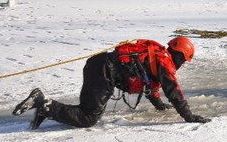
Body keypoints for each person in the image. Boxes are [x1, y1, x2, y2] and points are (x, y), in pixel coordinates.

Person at [12, 37, 210, 129]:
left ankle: (46, 110)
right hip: (104, 70)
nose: (182, 64)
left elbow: (150, 86)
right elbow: (173, 90)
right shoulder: (164, 61)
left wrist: (159, 106)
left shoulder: (157, 56)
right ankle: (42, 103)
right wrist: (189, 116)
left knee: (87, 112)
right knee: (88, 118)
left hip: (101, 66)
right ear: (179, 54)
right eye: (183, 60)